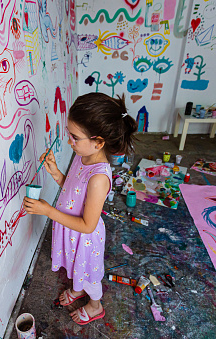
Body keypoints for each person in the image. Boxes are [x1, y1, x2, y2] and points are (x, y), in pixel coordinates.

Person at [23, 92, 138, 325]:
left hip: (85, 238)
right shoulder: (82, 155)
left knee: (90, 275)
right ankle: (77, 289)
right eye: (69, 134)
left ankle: (95, 305)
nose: (69, 142)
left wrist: (48, 211)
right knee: (76, 269)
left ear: (98, 142)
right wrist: (56, 172)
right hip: (70, 231)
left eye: (74, 137)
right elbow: (73, 190)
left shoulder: (99, 178)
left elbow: (88, 225)